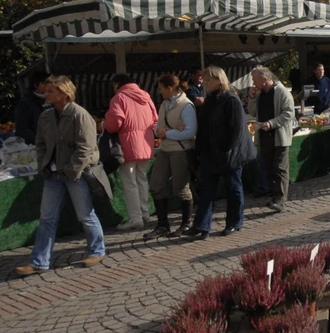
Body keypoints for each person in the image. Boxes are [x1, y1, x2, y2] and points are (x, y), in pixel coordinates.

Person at [16, 76, 110, 275]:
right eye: (46, 91)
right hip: (53, 175)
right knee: (47, 218)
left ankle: (97, 250)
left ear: (64, 93)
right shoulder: (45, 116)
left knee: (85, 214)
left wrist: (71, 169)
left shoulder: (80, 115)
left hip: (75, 174)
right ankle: (39, 261)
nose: (46, 94)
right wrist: (44, 163)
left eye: (51, 91)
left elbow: (86, 147)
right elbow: (40, 143)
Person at [192, 66, 253, 237]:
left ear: (219, 80)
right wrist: (201, 148)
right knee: (206, 189)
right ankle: (202, 226)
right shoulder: (210, 100)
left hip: (229, 154)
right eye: (205, 80)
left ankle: (234, 222)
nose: (206, 83)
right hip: (210, 153)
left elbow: (236, 130)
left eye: (209, 80)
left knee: (233, 188)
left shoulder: (231, 100)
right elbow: (203, 126)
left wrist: (225, 149)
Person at [102, 74, 158, 232]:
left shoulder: (118, 98)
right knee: (142, 180)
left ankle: (135, 219)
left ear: (117, 84)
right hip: (146, 145)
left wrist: (104, 123)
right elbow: (155, 120)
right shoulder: (146, 97)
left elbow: (114, 124)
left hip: (127, 147)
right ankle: (145, 214)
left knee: (130, 183)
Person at [145, 74, 197, 238]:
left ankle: (186, 223)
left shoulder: (187, 106)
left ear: (169, 88)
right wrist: (162, 131)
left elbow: (190, 132)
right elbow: (158, 126)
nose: (159, 92)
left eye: (161, 88)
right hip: (165, 149)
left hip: (180, 150)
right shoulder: (164, 105)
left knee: (180, 188)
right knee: (156, 185)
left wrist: (168, 133)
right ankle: (162, 225)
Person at [249, 66, 294, 213]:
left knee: (280, 168)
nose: (253, 83)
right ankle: (273, 195)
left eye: (255, 80)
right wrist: (251, 98)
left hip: (279, 136)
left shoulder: (282, 92)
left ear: (265, 79)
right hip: (263, 136)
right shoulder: (261, 93)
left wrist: (272, 123)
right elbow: (252, 112)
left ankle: (280, 200)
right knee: (268, 167)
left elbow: (289, 113)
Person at [13, 71, 50, 144]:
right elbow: (22, 129)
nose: (48, 86)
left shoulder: (55, 99)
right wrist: (40, 142)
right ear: (35, 85)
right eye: (44, 83)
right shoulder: (25, 103)